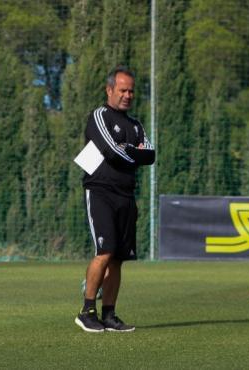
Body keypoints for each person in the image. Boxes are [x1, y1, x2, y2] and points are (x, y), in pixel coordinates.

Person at [75, 66, 155, 333]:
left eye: (131, 90)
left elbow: (151, 155)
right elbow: (110, 152)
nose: (128, 95)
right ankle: (87, 311)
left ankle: (109, 314)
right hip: (101, 193)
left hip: (126, 195)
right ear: (110, 90)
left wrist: (127, 150)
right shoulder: (100, 116)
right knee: (104, 252)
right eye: (122, 90)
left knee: (119, 258)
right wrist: (131, 152)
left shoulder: (136, 125)